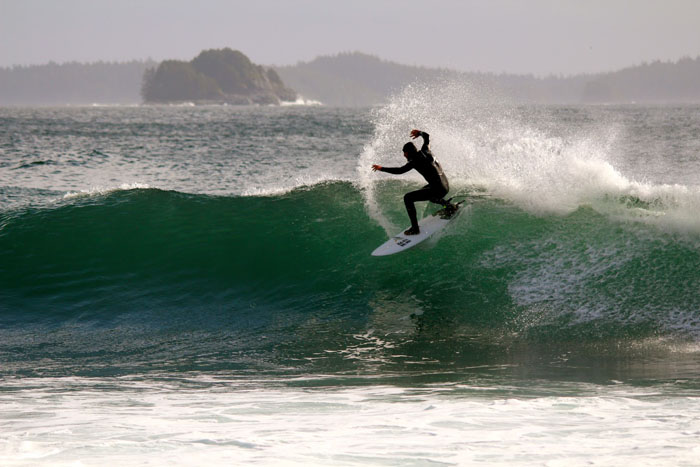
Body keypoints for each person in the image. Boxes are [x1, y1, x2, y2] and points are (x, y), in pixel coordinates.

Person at [372, 129, 454, 235]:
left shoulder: (414, 161)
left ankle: (415, 229)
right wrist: (419, 133)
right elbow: (427, 137)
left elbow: (400, 171)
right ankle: (447, 205)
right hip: (445, 185)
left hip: (438, 189)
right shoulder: (426, 150)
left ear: (408, 153)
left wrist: (381, 168)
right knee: (425, 191)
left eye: (404, 153)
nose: (404, 156)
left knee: (408, 198)